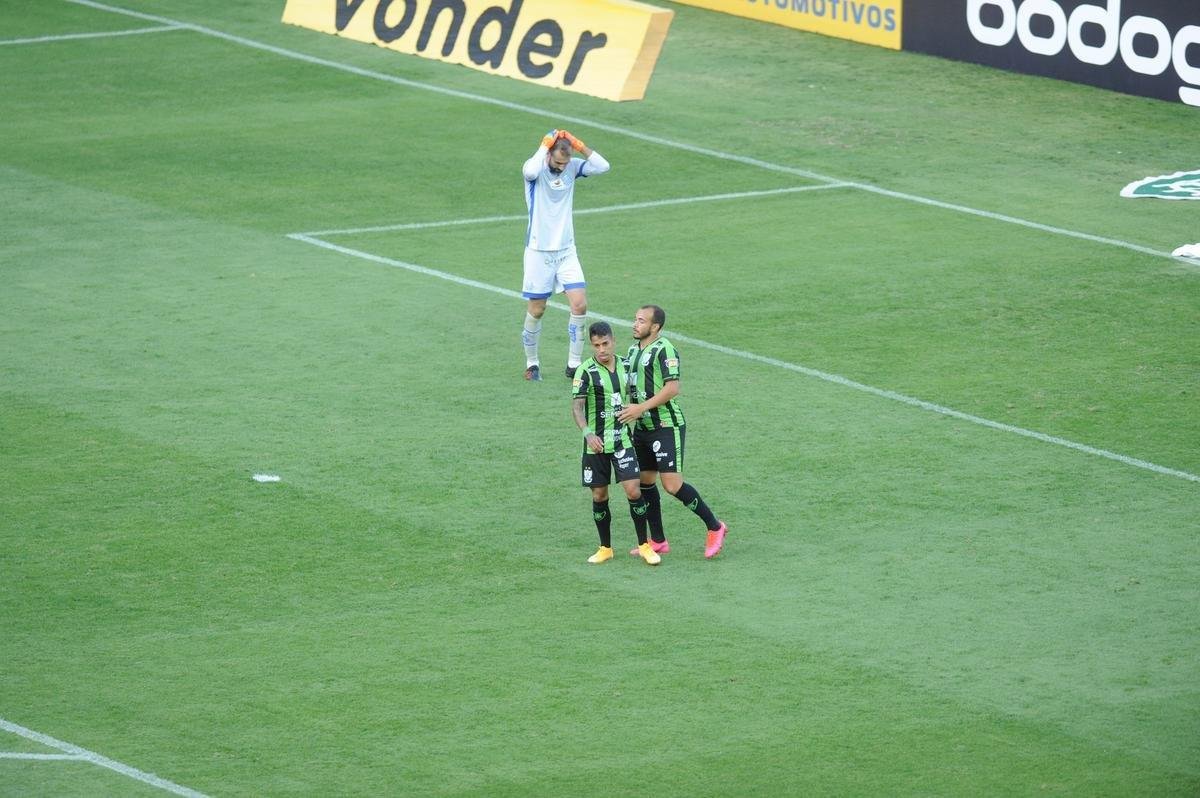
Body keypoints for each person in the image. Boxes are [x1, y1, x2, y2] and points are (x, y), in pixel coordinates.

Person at [617, 305, 728, 559]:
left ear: (655, 327)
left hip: (666, 426)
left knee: (672, 485)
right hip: (642, 427)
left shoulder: (665, 349)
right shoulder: (634, 351)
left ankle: (715, 526)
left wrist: (640, 408)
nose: (635, 324)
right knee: (645, 482)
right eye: (635, 319)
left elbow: (672, 388)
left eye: (641, 321)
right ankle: (658, 540)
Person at [521, 128, 610, 382]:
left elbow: (603, 166)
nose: (562, 166)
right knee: (537, 309)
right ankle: (532, 363)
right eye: (558, 161)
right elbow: (529, 170)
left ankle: (573, 365)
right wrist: (543, 143)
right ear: (548, 154)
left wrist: (579, 145)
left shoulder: (572, 167)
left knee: (580, 304)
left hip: (566, 250)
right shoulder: (535, 171)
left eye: (566, 161)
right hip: (539, 251)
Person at [571, 321, 660, 566]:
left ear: (613, 341)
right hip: (595, 446)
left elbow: (640, 393)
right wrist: (588, 433)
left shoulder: (625, 365)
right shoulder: (585, 372)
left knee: (634, 490)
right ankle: (605, 548)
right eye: (596, 345)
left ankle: (644, 545)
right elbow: (577, 407)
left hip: (622, 441)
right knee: (599, 495)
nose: (601, 349)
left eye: (605, 343)